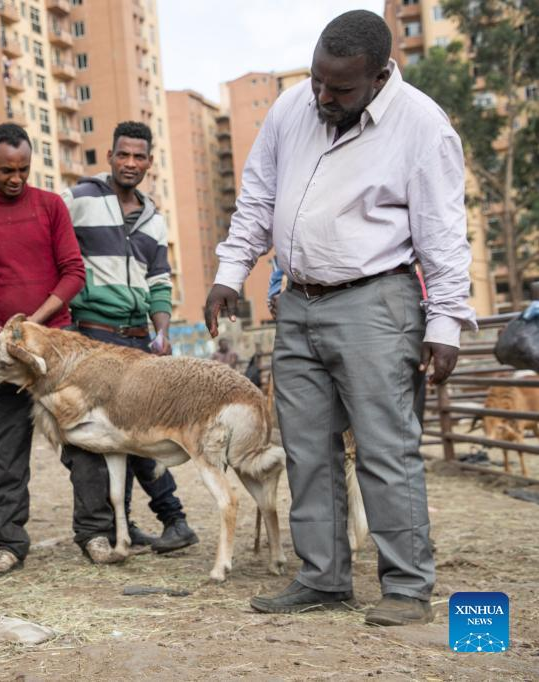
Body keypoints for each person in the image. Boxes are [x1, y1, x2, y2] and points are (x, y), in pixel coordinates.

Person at [204, 11, 475, 627]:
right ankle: (323, 578)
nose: (322, 97)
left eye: (340, 89)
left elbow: (443, 236)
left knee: (386, 448)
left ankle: (407, 588)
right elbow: (258, 197)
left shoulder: (424, 128)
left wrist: (445, 325)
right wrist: (229, 271)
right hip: (296, 302)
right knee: (305, 448)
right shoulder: (291, 108)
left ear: (379, 77)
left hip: (377, 303)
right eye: (318, 81)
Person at [60, 121, 198, 563]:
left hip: (139, 339)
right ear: (110, 157)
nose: (131, 163)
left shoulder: (155, 219)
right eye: (124, 155)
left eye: (140, 157)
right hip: (93, 337)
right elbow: (56, 251)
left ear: (149, 163)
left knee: (143, 434)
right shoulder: (79, 199)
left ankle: (173, 519)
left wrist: (162, 332)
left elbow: (159, 281)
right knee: (92, 440)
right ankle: (110, 526)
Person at [0, 123, 85, 578]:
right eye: (7, 169)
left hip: (55, 349)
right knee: (7, 453)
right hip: (5, 358)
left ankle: (95, 534)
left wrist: (33, 323)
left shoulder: (50, 207)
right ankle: (8, 544)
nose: (16, 178)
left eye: (24, 170)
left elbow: (73, 273)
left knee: (82, 443)